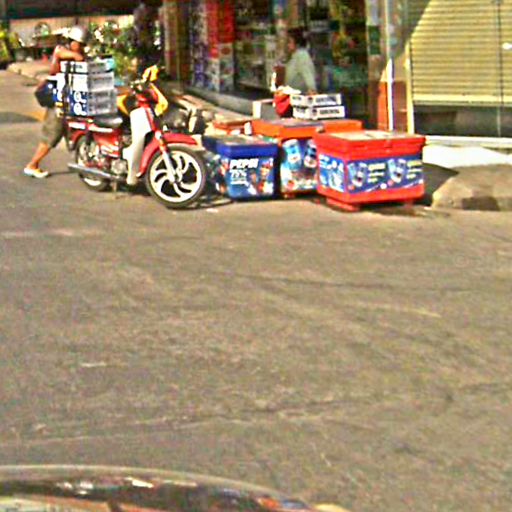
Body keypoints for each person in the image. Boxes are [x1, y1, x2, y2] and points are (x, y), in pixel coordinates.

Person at [23, 25, 87, 179]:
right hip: (58, 99)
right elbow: (73, 57)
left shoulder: (77, 52)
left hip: (70, 98)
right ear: (71, 41)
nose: (80, 47)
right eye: (79, 44)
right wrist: (79, 56)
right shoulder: (61, 50)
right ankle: (32, 165)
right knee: (53, 133)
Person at [285, 28, 317, 94]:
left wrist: (312, 89)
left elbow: (307, 74)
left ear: (297, 43)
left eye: (289, 42)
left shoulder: (302, 55)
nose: (287, 45)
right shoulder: (295, 56)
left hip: (300, 96)